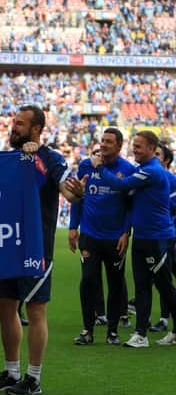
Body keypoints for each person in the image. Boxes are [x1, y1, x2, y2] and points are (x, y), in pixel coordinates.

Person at [0, 105, 85, 395]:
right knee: (5, 306)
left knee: (36, 309)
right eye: (14, 122)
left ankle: (34, 378)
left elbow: (68, 191)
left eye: (20, 124)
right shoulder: (10, 157)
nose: (14, 127)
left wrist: (76, 193)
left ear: (36, 129)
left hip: (36, 247)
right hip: (8, 245)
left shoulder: (50, 157)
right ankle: (12, 372)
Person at [90, 130, 176, 347]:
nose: (134, 150)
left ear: (150, 149)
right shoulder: (143, 170)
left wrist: (99, 167)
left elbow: (119, 185)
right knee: (141, 287)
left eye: (138, 146)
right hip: (142, 237)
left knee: (165, 287)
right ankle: (141, 335)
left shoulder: (153, 172)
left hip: (157, 237)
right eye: (134, 145)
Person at [68, 127, 135, 346]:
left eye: (109, 141)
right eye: (102, 140)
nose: (104, 145)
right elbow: (78, 195)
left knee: (115, 284)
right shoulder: (86, 165)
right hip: (90, 235)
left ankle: (112, 332)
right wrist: (72, 227)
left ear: (119, 146)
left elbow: (130, 206)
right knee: (88, 280)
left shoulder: (127, 169)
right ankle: (87, 330)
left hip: (115, 237)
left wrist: (126, 232)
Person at [146, 142, 176, 333]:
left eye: (157, 154)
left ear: (166, 159)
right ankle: (160, 319)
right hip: (153, 235)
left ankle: (165, 319)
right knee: (160, 277)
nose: (154, 156)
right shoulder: (150, 177)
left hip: (168, 235)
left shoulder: (170, 180)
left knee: (164, 278)